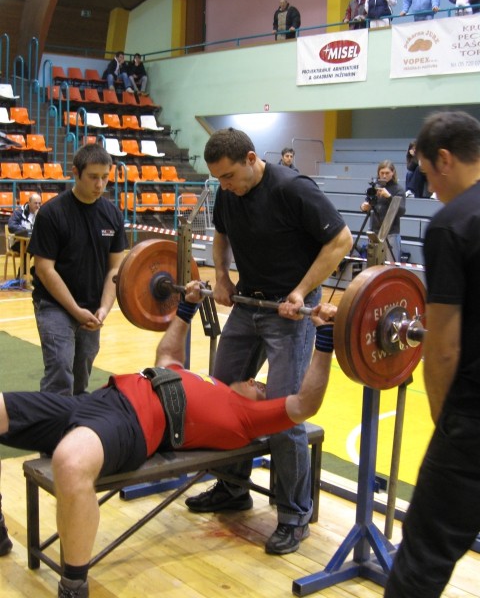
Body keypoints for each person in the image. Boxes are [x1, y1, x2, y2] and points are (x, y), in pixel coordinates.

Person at [0, 284, 337, 598]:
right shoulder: (207, 382)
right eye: (255, 379)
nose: (255, 381)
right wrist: (187, 307)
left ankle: (73, 586)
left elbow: (305, 403)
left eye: (262, 386)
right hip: (96, 399)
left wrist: (325, 337)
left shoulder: (247, 417)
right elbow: (166, 356)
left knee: (69, 462)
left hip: (132, 423)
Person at [184, 128, 352, 555]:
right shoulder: (228, 194)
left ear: (252, 159)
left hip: (290, 314)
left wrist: (302, 291)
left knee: (284, 413)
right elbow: (221, 235)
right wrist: (221, 276)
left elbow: (341, 240)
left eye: (228, 176)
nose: (224, 186)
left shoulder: (293, 189)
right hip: (248, 306)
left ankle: (294, 515)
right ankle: (233, 487)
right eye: (218, 179)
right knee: (219, 396)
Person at [384, 111, 480, 597]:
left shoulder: (453, 223)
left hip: (472, 422)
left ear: (444, 159)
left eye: (424, 170)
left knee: (422, 555)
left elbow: (442, 346)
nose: (428, 184)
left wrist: (447, 427)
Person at [28, 143, 127, 396]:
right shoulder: (52, 213)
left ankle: (75, 425)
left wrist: (103, 309)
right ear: (75, 172)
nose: (100, 184)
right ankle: (49, 430)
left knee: (81, 377)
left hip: (92, 307)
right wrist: (75, 310)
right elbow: (44, 269)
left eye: (105, 177)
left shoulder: (112, 215)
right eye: (93, 177)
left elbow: (115, 269)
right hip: (54, 305)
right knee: (61, 369)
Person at [360, 160, 406, 262]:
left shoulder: (398, 190)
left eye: (387, 173)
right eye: (382, 173)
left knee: (391, 265)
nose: (384, 176)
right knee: (373, 265)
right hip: (374, 232)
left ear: (393, 172)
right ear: (378, 173)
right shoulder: (376, 188)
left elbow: (401, 211)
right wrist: (363, 207)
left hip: (391, 233)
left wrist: (389, 197)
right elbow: (368, 204)